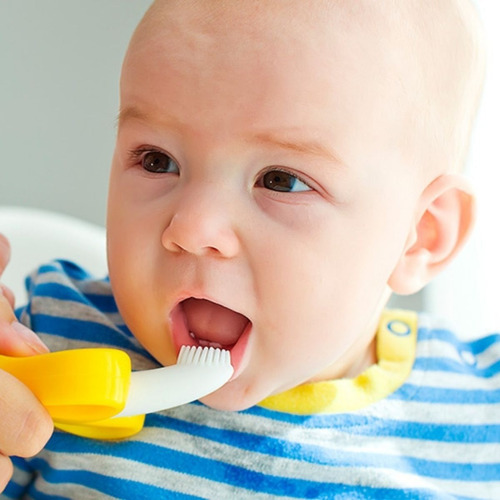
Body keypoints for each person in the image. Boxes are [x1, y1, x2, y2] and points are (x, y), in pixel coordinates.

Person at [1, 0, 498, 498]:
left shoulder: (479, 417)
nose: (192, 229)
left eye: (280, 180)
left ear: (421, 237)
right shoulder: (51, 346)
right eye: (157, 160)